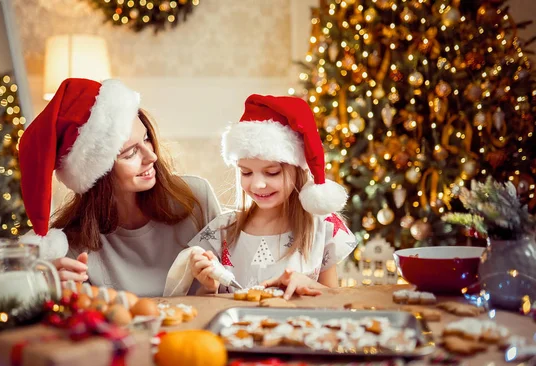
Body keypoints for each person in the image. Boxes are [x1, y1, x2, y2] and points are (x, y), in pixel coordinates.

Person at [18, 78, 221, 296]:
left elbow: (236, 285)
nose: (151, 156)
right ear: (98, 172)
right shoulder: (72, 245)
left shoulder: (197, 198)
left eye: (146, 139)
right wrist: (47, 291)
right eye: (131, 153)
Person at [164, 94, 357, 299]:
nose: (257, 184)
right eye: (246, 172)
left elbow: (336, 300)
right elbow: (206, 304)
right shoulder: (222, 230)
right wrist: (209, 288)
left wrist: (309, 284)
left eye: (271, 172)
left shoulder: (322, 227)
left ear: (297, 170)